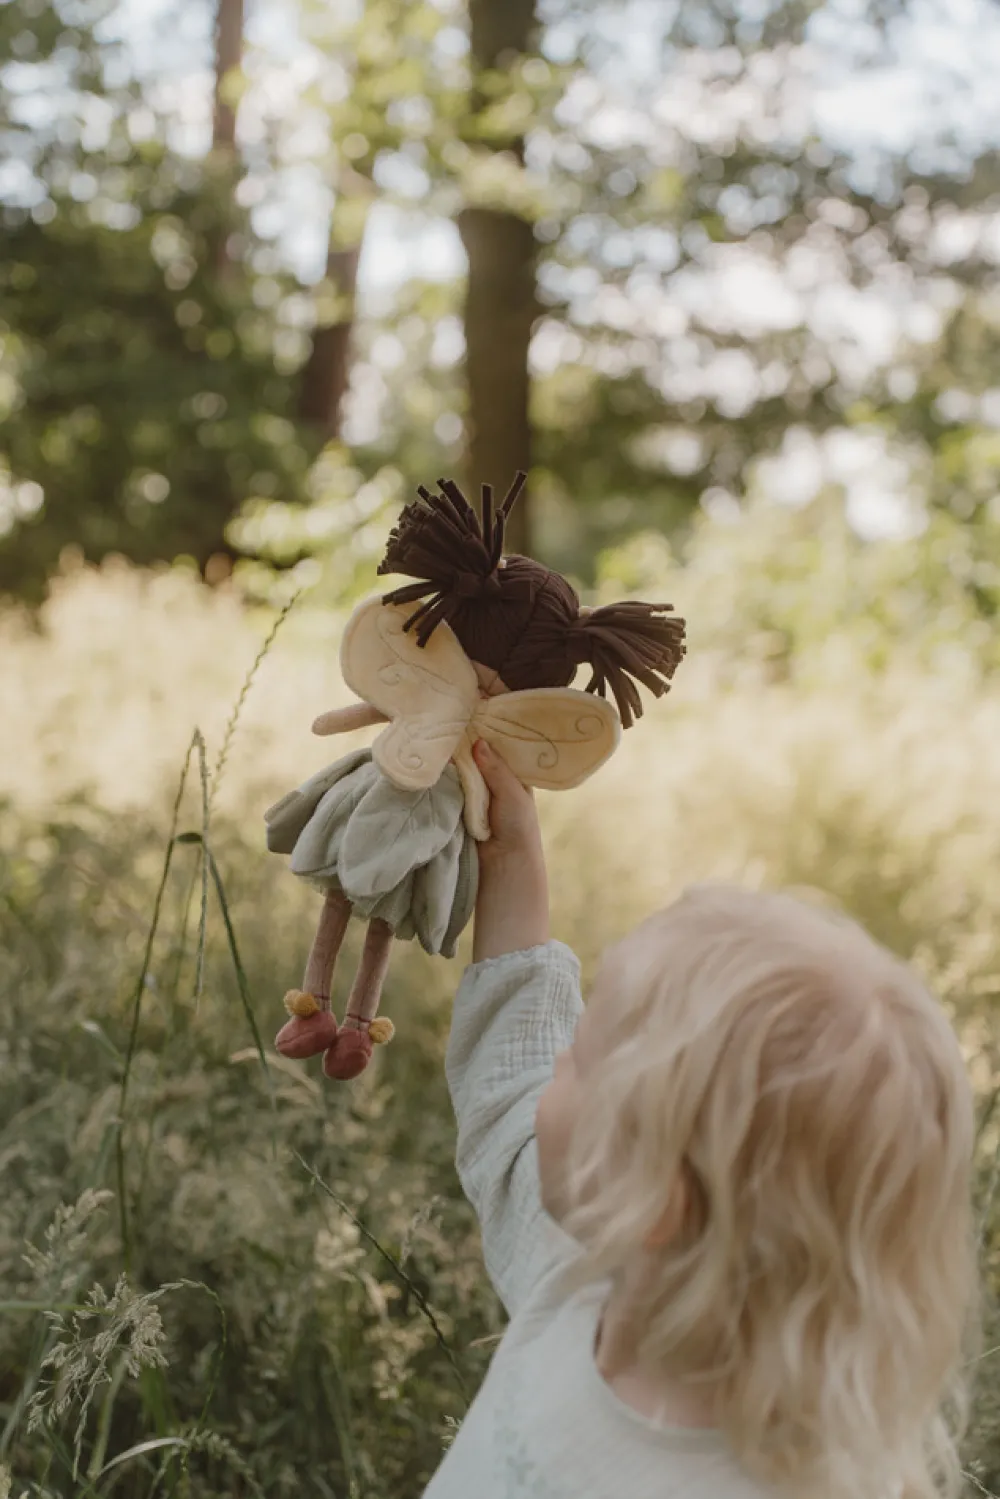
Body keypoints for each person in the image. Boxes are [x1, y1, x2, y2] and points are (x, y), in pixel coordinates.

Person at [422, 738, 980, 1499]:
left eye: (580, 1055)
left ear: (650, 1194)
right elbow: (512, 1087)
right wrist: (512, 857)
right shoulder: (596, 1281)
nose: (556, 1059)